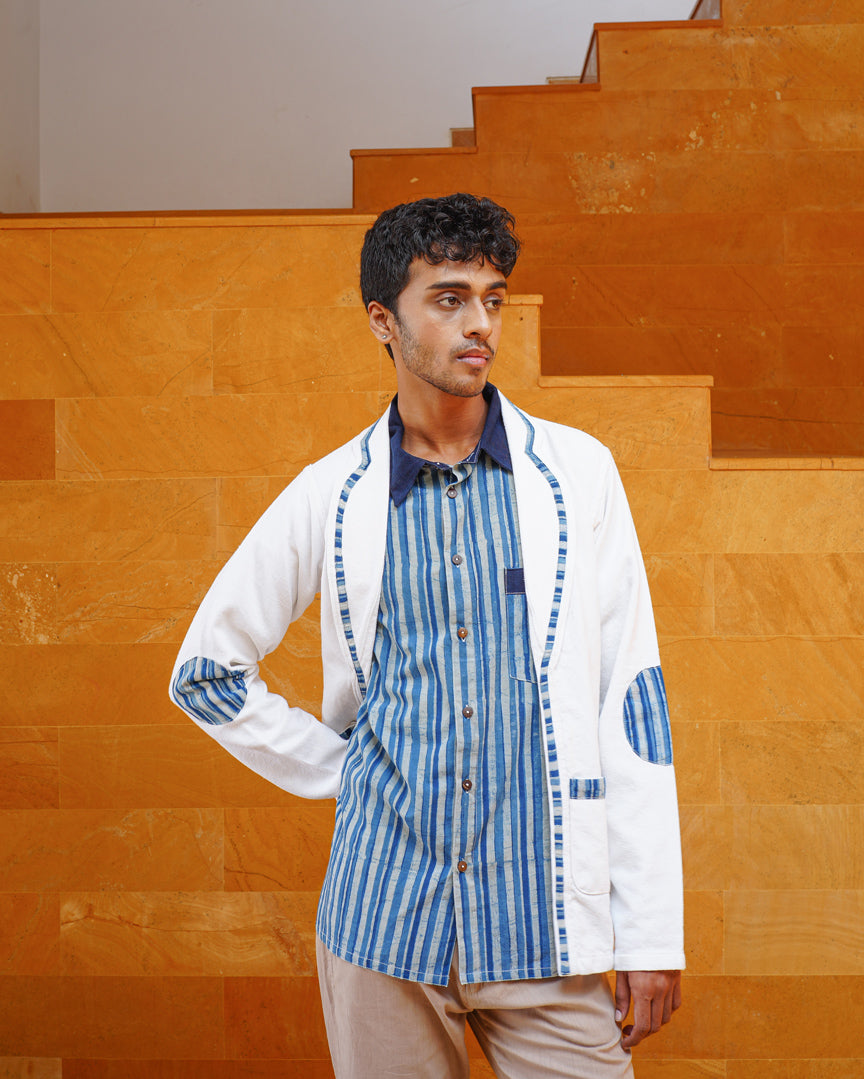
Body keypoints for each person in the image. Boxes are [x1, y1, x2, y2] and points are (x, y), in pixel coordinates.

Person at [170, 192, 684, 1078]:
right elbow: (205, 671)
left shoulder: (578, 475)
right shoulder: (333, 491)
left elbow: (630, 699)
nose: (479, 324)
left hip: (543, 922)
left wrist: (650, 930)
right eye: (449, 299)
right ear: (384, 319)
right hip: (384, 924)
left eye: (492, 298)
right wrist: (347, 771)